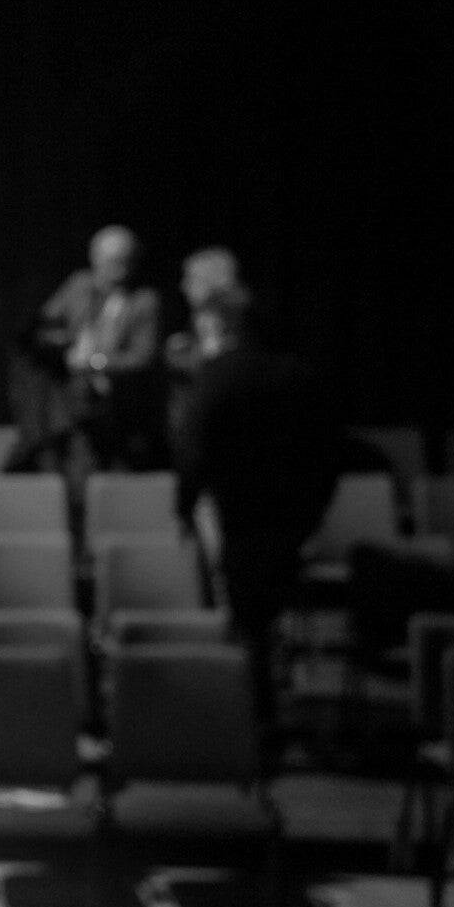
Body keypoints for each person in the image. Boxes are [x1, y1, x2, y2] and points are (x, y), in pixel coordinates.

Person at [174, 291, 339, 745]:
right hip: (293, 515)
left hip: (240, 513)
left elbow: (194, 450)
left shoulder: (216, 377)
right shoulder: (300, 376)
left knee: (247, 620)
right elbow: (330, 448)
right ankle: (266, 712)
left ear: (220, 330)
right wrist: (314, 509)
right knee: (267, 614)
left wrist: (184, 507)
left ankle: (253, 721)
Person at [8, 225, 164, 474]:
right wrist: (63, 345)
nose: (120, 269)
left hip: (115, 404)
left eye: (126, 261)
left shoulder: (143, 299)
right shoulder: (79, 285)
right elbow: (44, 327)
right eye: (112, 261)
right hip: (68, 398)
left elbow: (143, 357)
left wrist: (95, 361)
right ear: (95, 258)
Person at [165, 246, 252, 438]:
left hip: (227, 417)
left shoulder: (231, 316)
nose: (183, 286)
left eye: (191, 279)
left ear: (212, 281)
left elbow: (220, 363)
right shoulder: (201, 316)